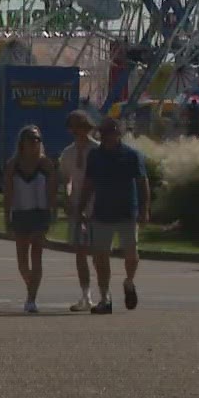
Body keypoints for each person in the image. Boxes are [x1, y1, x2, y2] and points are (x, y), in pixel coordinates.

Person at [76, 117, 149, 314]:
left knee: (131, 255)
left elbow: (142, 183)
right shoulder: (95, 156)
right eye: (106, 132)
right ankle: (104, 298)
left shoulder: (132, 155)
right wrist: (81, 208)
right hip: (102, 212)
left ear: (119, 134)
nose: (110, 136)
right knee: (101, 257)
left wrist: (144, 209)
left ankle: (129, 282)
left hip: (127, 211)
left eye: (113, 132)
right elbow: (88, 184)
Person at [53, 110, 99, 312]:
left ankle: (103, 293)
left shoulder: (98, 151)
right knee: (80, 253)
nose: (77, 130)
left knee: (98, 254)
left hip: (98, 208)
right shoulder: (68, 153)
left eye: (81, 126)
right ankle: (85, 295)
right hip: (77, 208)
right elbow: (66, 179)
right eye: (73, 127)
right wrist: (67, 197)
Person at [3, 127, 53, 313]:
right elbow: (8, 192)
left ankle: (31, 299)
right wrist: (6, 216)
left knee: (37, 255)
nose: (35, 143)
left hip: (40, 213)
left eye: (37, 139)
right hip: (20, 213)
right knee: (22, 261)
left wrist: (52, 212)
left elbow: (52, 190)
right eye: (31, 139)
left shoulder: (45, 164)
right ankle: (30, 286)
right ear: (22, 142)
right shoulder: (13, 165)